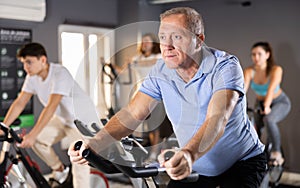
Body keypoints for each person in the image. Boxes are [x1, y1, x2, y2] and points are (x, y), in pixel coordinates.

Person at [69, 7, 267, 187]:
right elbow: (133, 112)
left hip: (241, 163)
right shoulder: (161, 71)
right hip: (196, 165)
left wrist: (188, 154)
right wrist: (96, 143)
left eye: (177, 37)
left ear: (199, 40)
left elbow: (217, 118)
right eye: (163, 37)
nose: (167, 46)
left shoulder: (225, 66)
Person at [2, 42, 99, 187]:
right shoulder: (32, 77)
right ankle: (60, 170)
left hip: (83, 121)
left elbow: (51, 107)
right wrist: (3, 126)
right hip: (63, 119)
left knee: (79, 162)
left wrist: (32, 135)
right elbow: (20, 102)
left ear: (43, 60)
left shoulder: (60, 73)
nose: (25, 67)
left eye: (29, 62)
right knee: (39, 141)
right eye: (23, 63)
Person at [244, 42, 291, 167]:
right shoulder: (249, 71)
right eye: (253, 54)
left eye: (260, 54)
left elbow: (271, 89)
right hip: (260, 102)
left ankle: (277, 152)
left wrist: (267, 106)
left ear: (267, 55)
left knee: (269, 119)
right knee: (255, 127)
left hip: (279, 102)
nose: (256, 57)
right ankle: (255, 155)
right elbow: (242, 90)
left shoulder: (276, 70)